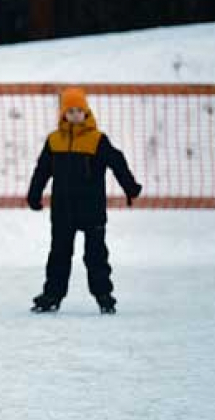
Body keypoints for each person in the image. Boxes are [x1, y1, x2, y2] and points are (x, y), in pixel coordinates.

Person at [27, 86, 142, 314]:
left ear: (86, 112)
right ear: (63, 114)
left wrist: (130, 187)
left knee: (96, 255)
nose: (75, 115)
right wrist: (34, 194)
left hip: (92, 209)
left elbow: (117, 162)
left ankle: (104, 295)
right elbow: (42, 170)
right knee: (59, 253)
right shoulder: (54, 141)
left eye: (80, 110)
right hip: (63, 210)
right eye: (70, 111)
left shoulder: (97, 140)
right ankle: (52, 295)